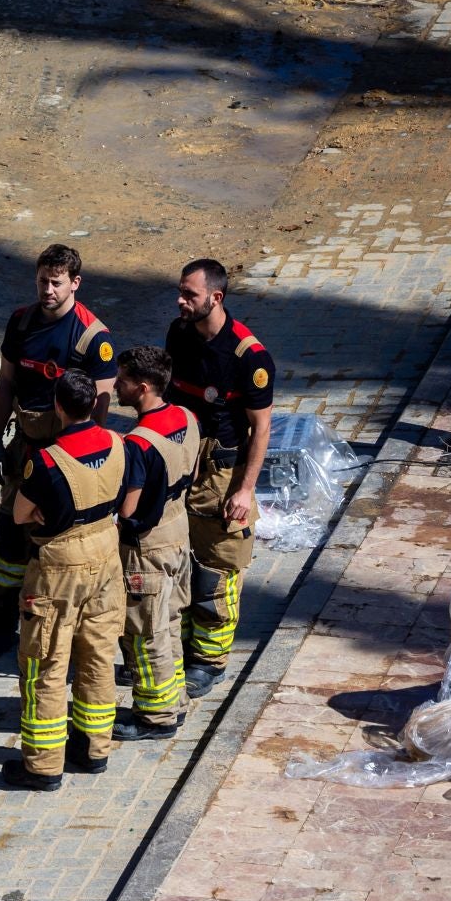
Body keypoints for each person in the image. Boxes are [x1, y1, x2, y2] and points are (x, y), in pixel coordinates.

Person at [0, 244, 118, 637]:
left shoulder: (94, 339)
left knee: (55, 534)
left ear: (75, 283)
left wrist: (78, 468)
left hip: (65, 455)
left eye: (56, 283)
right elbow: (5, 381)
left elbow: (100, 411)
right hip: (24, 447)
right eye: (43, 281)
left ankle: (53, 618)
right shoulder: (21, 323)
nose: (48, 290)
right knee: (9, 526)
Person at [2, 371, 126, 791]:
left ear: (58, 407)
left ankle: (42, 765)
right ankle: (94, 749)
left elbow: (20, 514)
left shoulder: (48, 460)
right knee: (97, 656)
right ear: (93, 404)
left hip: (58, 568)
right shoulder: (117, 443)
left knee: (46, 665)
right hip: (107, 555)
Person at [166, 258, 274, 697]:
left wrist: (245, 490)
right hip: (183, 458)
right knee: (181, 565)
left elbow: (261, 428)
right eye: (180, 291)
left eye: (189, 294)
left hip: (223, 470)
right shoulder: (179, 334)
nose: (181, 301)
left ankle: (210, 662)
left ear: (216, 298)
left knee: (218, 570)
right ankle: (184, 650)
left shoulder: (249, 357)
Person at [112, 346, 200, 740]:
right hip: (179, 531)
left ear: (143, 387)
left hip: (147, 549)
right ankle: (174, 701)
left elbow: (129, 507)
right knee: (169, 623)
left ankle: (155, 716)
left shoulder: (138, 443)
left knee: (145, 633)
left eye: (123, 380)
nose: (116, 385)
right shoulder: (187, 417)